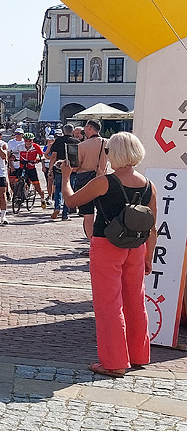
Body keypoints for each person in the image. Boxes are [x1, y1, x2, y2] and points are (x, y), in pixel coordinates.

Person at [61, 132, 157, 377]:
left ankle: (114, 361)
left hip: (107, 245)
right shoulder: (148, 184)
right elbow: (152, 225)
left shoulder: (105, 182)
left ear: (113, 153)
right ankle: (138, 354)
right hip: (136, 247)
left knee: (109, 305)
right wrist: (148, 256)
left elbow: (72, 201)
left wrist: (65, 177)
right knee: (135, 301)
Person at [74, 119, 108, 240]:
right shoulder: (107, 143)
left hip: (86, 183)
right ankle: (101, 242)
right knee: (102, 214)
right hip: (103, 182)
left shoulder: (82, 146)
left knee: (88, 216)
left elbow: (76, 167)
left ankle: (92, 243)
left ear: (89, 128)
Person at [48, 124, 78, 221]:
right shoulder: (76, 142)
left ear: (64, 131)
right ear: (72, 131)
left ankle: (57, 206)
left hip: (59, 167)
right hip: (71, 169)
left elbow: (53, 155)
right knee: (69, 189)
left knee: (58, 189)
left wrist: (50, 169)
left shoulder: (58, 141)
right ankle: (65, 214)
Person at [17, 133, 48, 209]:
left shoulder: (36, 147)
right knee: (17, 183)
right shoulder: (20, 147)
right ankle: (19, 198)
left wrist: (41, 162)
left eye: (30, 140)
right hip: (22, 167)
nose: (28, 142)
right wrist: (12, 157)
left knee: (37, 186)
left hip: (31, 168)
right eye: (26, 140)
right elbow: (13, 153)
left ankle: (42, 198)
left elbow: (42, 156)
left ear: (32, 140)